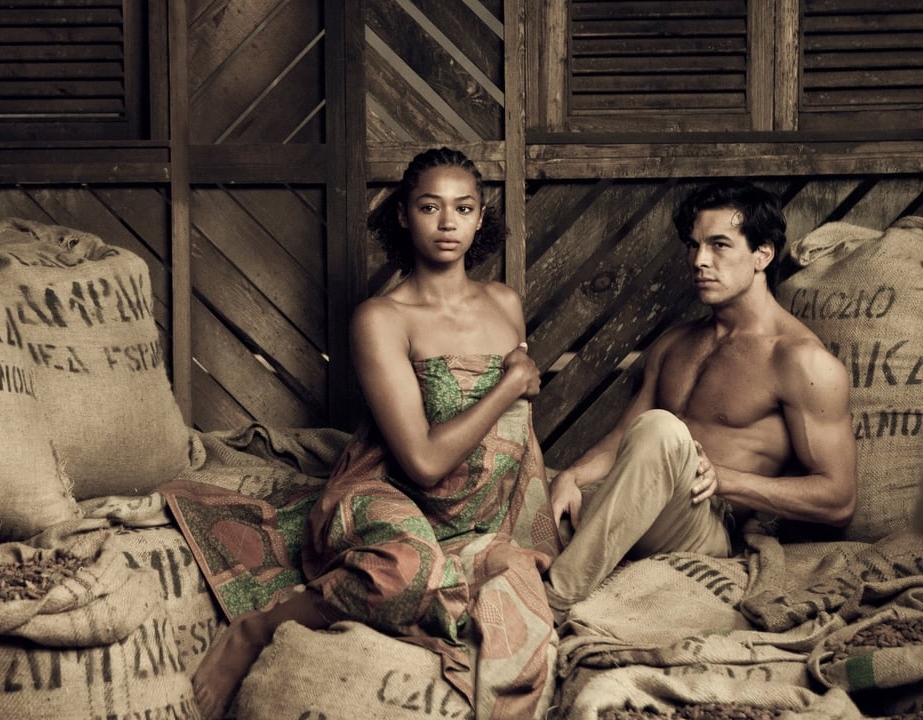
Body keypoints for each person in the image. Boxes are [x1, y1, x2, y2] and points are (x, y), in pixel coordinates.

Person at [163, 147, 561, 720]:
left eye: (464, 208)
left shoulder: (505, 303)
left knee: (521, 603)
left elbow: (517, 436)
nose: (448, 223)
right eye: (430, 206)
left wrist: (527, 520)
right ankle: (260, 627)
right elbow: (423, 461)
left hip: (480, 508)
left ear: (480, 218)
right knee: (406, 574)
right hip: (395, 489)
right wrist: (510, 383)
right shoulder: (381, 318)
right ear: (403, 214)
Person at [543, 180, 858, 615]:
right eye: (693, 246)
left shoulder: (801, 361)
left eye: (719, 245)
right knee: (524, 480)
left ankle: (554, 599)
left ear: (762, 254)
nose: (699, 260)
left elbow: (839, 499)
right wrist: (571, 478)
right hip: (639, 499)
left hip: (707, 524)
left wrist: (726, 480)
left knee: (661, 429)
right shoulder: (675, 343)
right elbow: (622, 439)